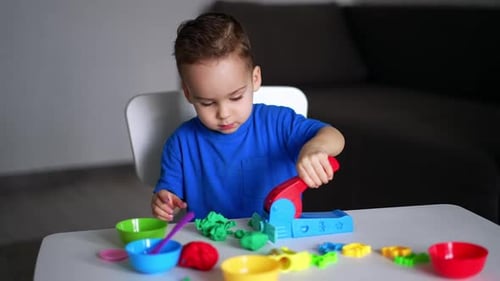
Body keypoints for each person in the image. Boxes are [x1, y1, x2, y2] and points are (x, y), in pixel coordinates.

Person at [151, 12, 345, 221]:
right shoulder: (181, 143)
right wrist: (164, 202)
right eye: (207, 103)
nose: (223, 114)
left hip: (276, 241)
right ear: (188, 93)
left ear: (255, 79)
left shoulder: (277, 123)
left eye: (235, 97)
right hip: (211, 244)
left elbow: (335, 136)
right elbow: (168, 194)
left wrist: (315, 148)